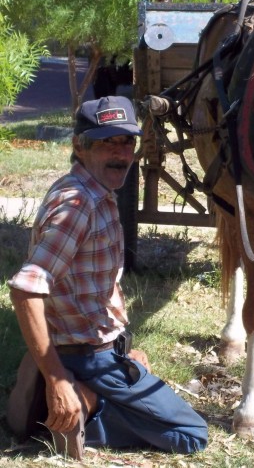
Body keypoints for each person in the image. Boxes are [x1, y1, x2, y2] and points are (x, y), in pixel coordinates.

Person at [7, 96, 208, 460]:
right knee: (191, 434)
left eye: (126, 141)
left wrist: (125, 351)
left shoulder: (92, 192)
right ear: (78, 146)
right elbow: (25, 289)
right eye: (106, 142)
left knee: (139, 367)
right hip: (89, 359)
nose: (120, 153)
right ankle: (84, 401)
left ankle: (70, 391)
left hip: (99, 350)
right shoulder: (78, 206)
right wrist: (56, 377)